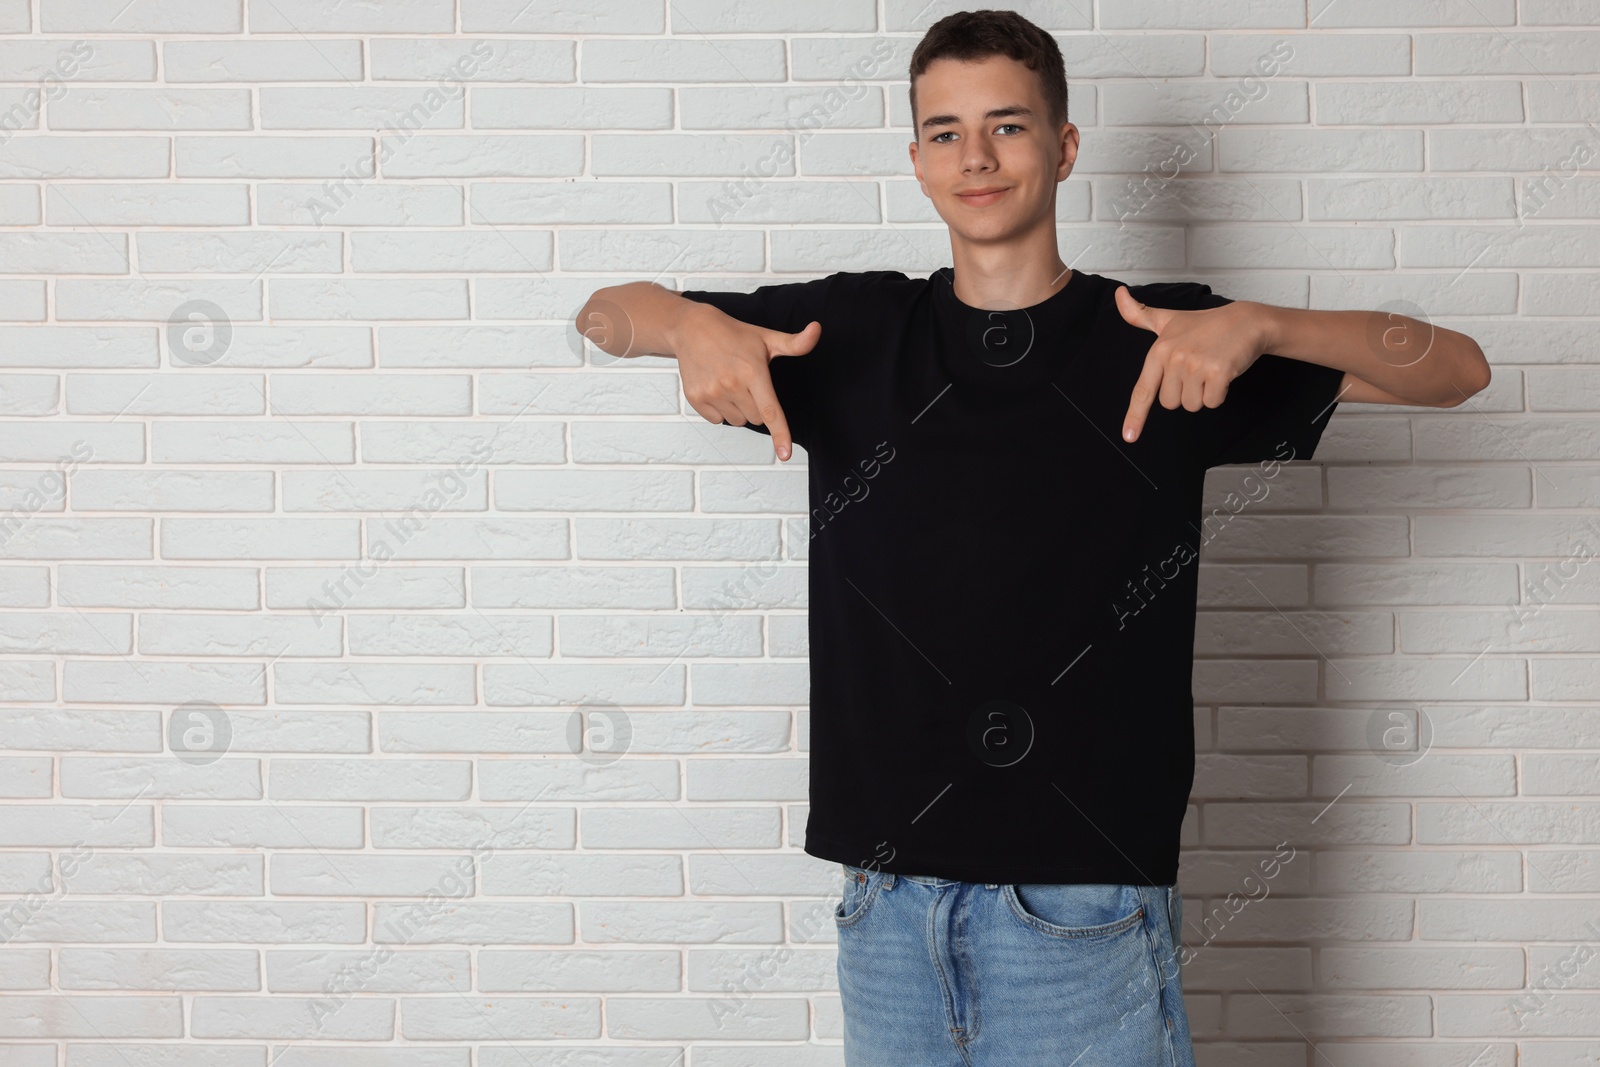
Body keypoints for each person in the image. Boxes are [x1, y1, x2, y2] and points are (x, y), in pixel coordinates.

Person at [577, 9, 1491, 1065]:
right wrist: (689, 321)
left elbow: (1455, 369)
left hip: (1080, 908)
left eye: (1007, 126)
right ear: (916, 158)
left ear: (1061, 147)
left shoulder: (1159, 335)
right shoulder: (851, 333)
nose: (974, 155)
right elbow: (607, 315)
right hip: (885, 903)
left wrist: (1265, 324)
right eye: (944, 131)